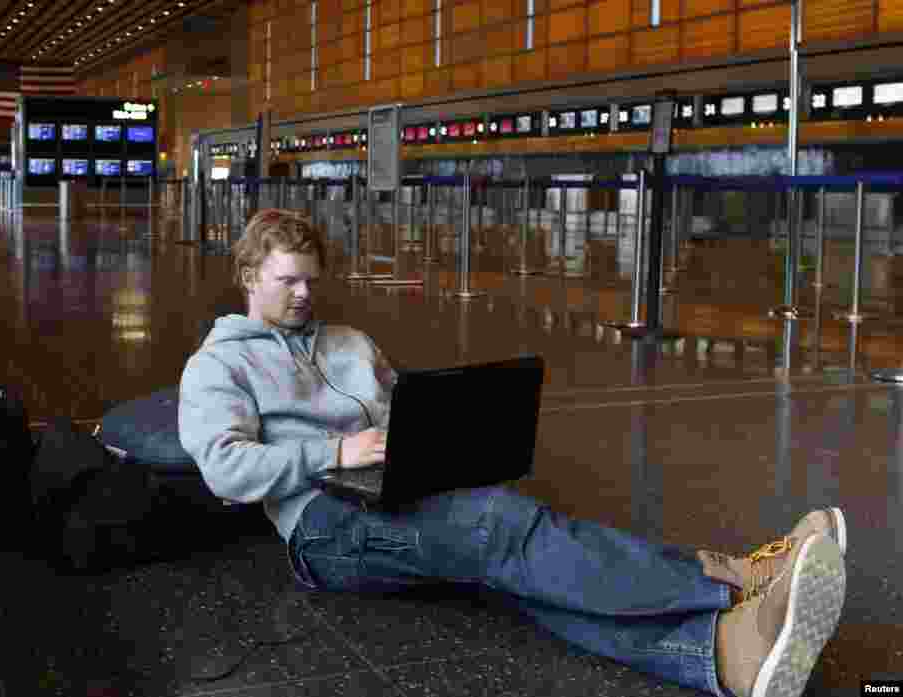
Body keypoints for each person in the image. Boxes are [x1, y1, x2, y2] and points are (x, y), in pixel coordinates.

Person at [178, 209, 847, 697]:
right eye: (289, 280)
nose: (304, 295)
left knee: (518, 566)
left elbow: (403, 419)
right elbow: (225, 469)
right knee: (498, 528)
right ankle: (732, 578)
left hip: (390, 488)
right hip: (322, 528)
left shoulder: (347, 342)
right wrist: (335, 448)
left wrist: (442, 445)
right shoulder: (218, 366)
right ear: (248, 276)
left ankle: (721, 655)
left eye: (311, 281)